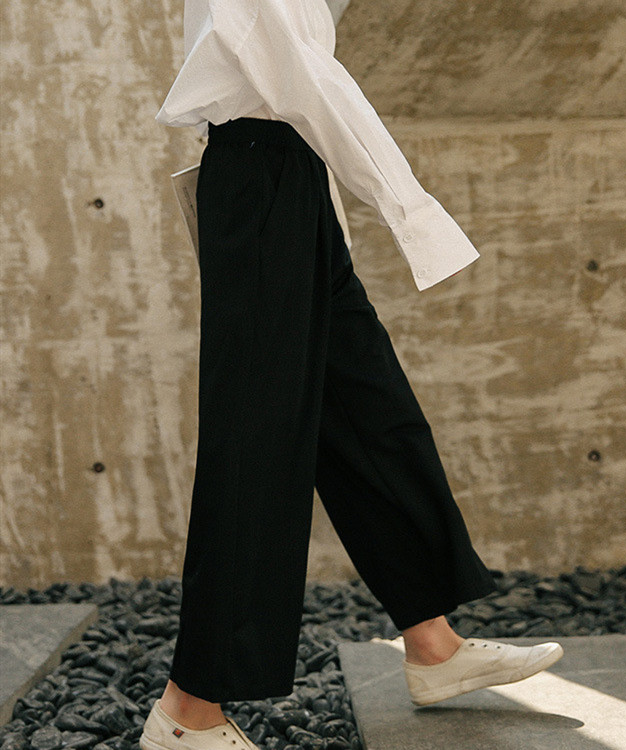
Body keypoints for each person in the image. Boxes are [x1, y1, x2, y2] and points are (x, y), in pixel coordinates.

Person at [140, 1, 563, 747]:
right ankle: (189, 710)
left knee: (371, 412)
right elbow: (304, 74)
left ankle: (434, 645)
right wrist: (411, 209)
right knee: (257, 446)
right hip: (262, 172)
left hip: (291, 175)